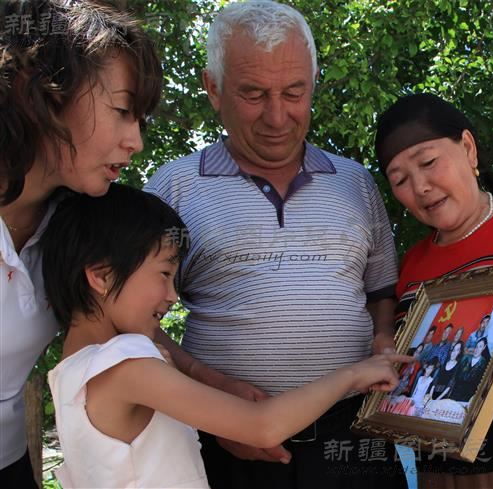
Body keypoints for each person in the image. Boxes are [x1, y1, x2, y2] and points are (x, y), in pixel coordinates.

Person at [145, 1, 404, 487]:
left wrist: (383, 336)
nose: (278, 116)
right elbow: (130, 322)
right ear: (213, 89)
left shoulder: (355, 183)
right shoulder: (173, 189)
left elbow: (380, 293)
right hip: (228, 447)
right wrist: (211, 395)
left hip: (354, 441)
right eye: (253, 94)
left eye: (294, 92)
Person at [40, 183, 411, 489]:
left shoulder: (71, 371)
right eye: (164, 274)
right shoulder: (125, 363)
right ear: (101, 276)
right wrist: (354, 373)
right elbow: (261, 426)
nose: (172, 295)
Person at [0, 1, 162, 486]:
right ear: (40, 92)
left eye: (140, 120)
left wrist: (217, 383)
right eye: (122, 111)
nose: (135, 142)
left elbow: (123, 314)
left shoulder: (76, 224)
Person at [375, 92, 493, 487]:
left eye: (428, 162)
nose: (420, 186)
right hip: (437, 474)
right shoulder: (411, 266)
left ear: (468, 148)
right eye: (400, 180)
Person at [449, 338, 489, 403]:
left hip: (468, 399)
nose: (477, 349)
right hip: (455, 394)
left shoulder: (484, 364)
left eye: (480, 347)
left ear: (484, 347)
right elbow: (455, 375)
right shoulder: (465, 358)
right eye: (476, 346)